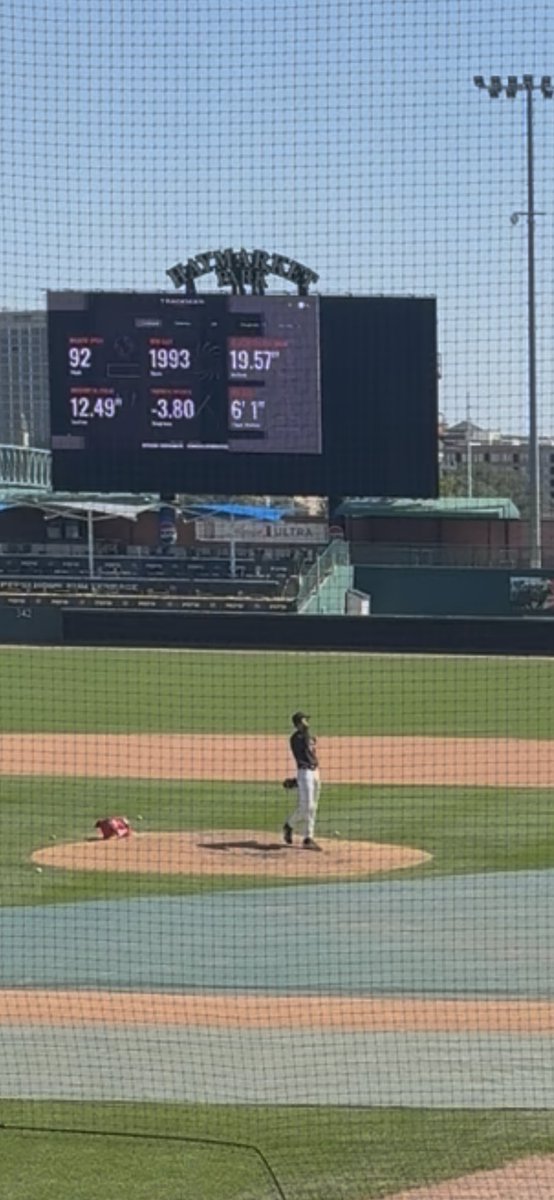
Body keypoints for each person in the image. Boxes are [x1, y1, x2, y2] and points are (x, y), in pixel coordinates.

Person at [283, 711, 321, 850]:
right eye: (304, 720)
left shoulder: (307, 736)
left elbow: (311, 750)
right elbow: (302, 752)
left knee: (312, 806)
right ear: (298, 723)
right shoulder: (296, 738)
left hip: (315, 772)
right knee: (307, 806)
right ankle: (305, 837)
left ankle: (303, 834)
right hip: (305, 773)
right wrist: (299, 780)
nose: (307, 722)